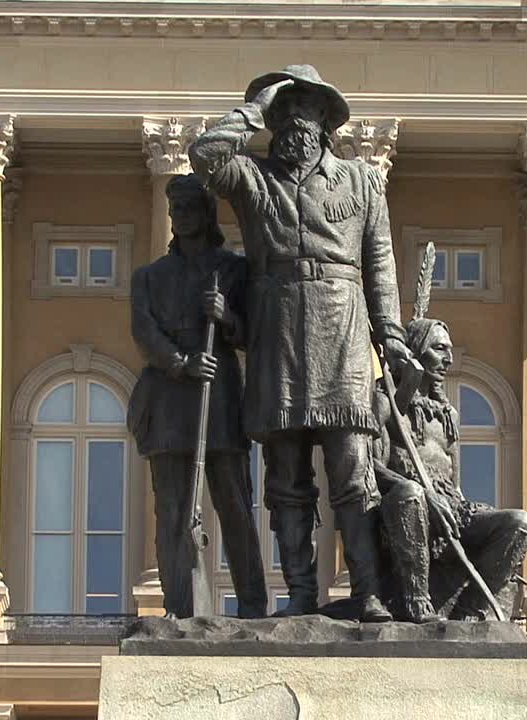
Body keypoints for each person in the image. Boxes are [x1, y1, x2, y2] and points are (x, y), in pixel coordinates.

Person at [189, 65, 413, 621]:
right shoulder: (252, 177)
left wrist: (389, 332)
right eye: (282, 112)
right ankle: (302, 592)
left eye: (303, 109)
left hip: (342, 323)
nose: (292, 121)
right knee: (286, 477)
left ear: (325, 120)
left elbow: (378, 263)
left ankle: (367, 590)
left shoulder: (361, 180)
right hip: (277, 327)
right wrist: (254, 108)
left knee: (352, 469)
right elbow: (204, 157)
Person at [126, 174, 268, 619]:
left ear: (208, 215)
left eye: (189, 208)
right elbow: (144, 332)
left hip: (218, 392)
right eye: (176, 210)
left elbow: (255, 334)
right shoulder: (149, 277)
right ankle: (181, 606)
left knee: (234, 503)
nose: (180, 217)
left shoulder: (232, 270)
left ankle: (251, 603)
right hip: (168, 396)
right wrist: (179, 362)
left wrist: (226, 318)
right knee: (172, 510)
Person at [373, 308, 527, 622]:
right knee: (410, 495)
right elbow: (371, 469)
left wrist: (457, 507)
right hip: (402, 508)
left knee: (520, 523)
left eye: (449, 350)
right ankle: (417, 602)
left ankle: (468, 612)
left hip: (448, 509)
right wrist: (424, 494)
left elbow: (454, 480)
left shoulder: (449, 415)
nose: (448, 359)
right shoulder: (385, 402)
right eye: (439, 349)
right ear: (415, 354)